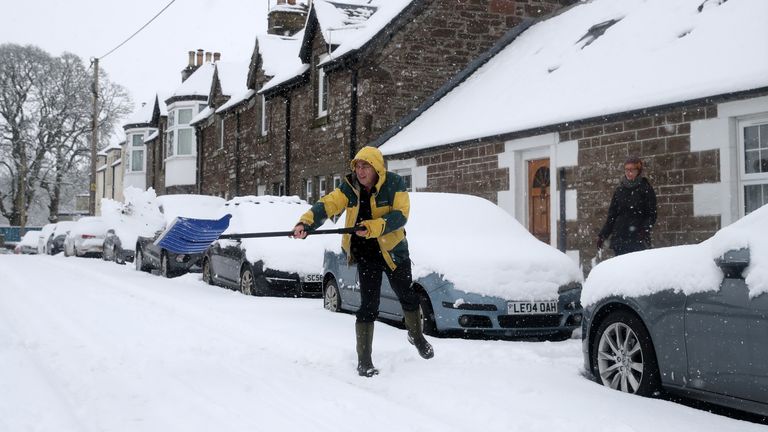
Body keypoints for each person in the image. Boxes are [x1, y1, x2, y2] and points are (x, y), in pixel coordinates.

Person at [292, 146, 433, 377]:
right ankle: (364, 360)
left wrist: (373, 227)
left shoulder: (395, 184)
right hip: (366, 253)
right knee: (369, 306)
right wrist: (305, 224)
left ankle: (416, 336)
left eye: (365, 166)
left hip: (394, 252)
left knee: (407, 296)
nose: (360, 171)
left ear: (376, 167)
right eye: (357, 166)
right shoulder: (350, 188)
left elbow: (401, 215)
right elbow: (329, 204)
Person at [596, 156, 657, 256]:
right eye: (626, 169)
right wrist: (603, 235)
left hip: (638, 240)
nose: (629, 172)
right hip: (620, 239)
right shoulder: (619, 190)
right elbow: (612, 216)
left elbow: (652, 214)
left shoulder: (645, 189)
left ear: (638, 171)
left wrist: (644, 230)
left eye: (632, 169)